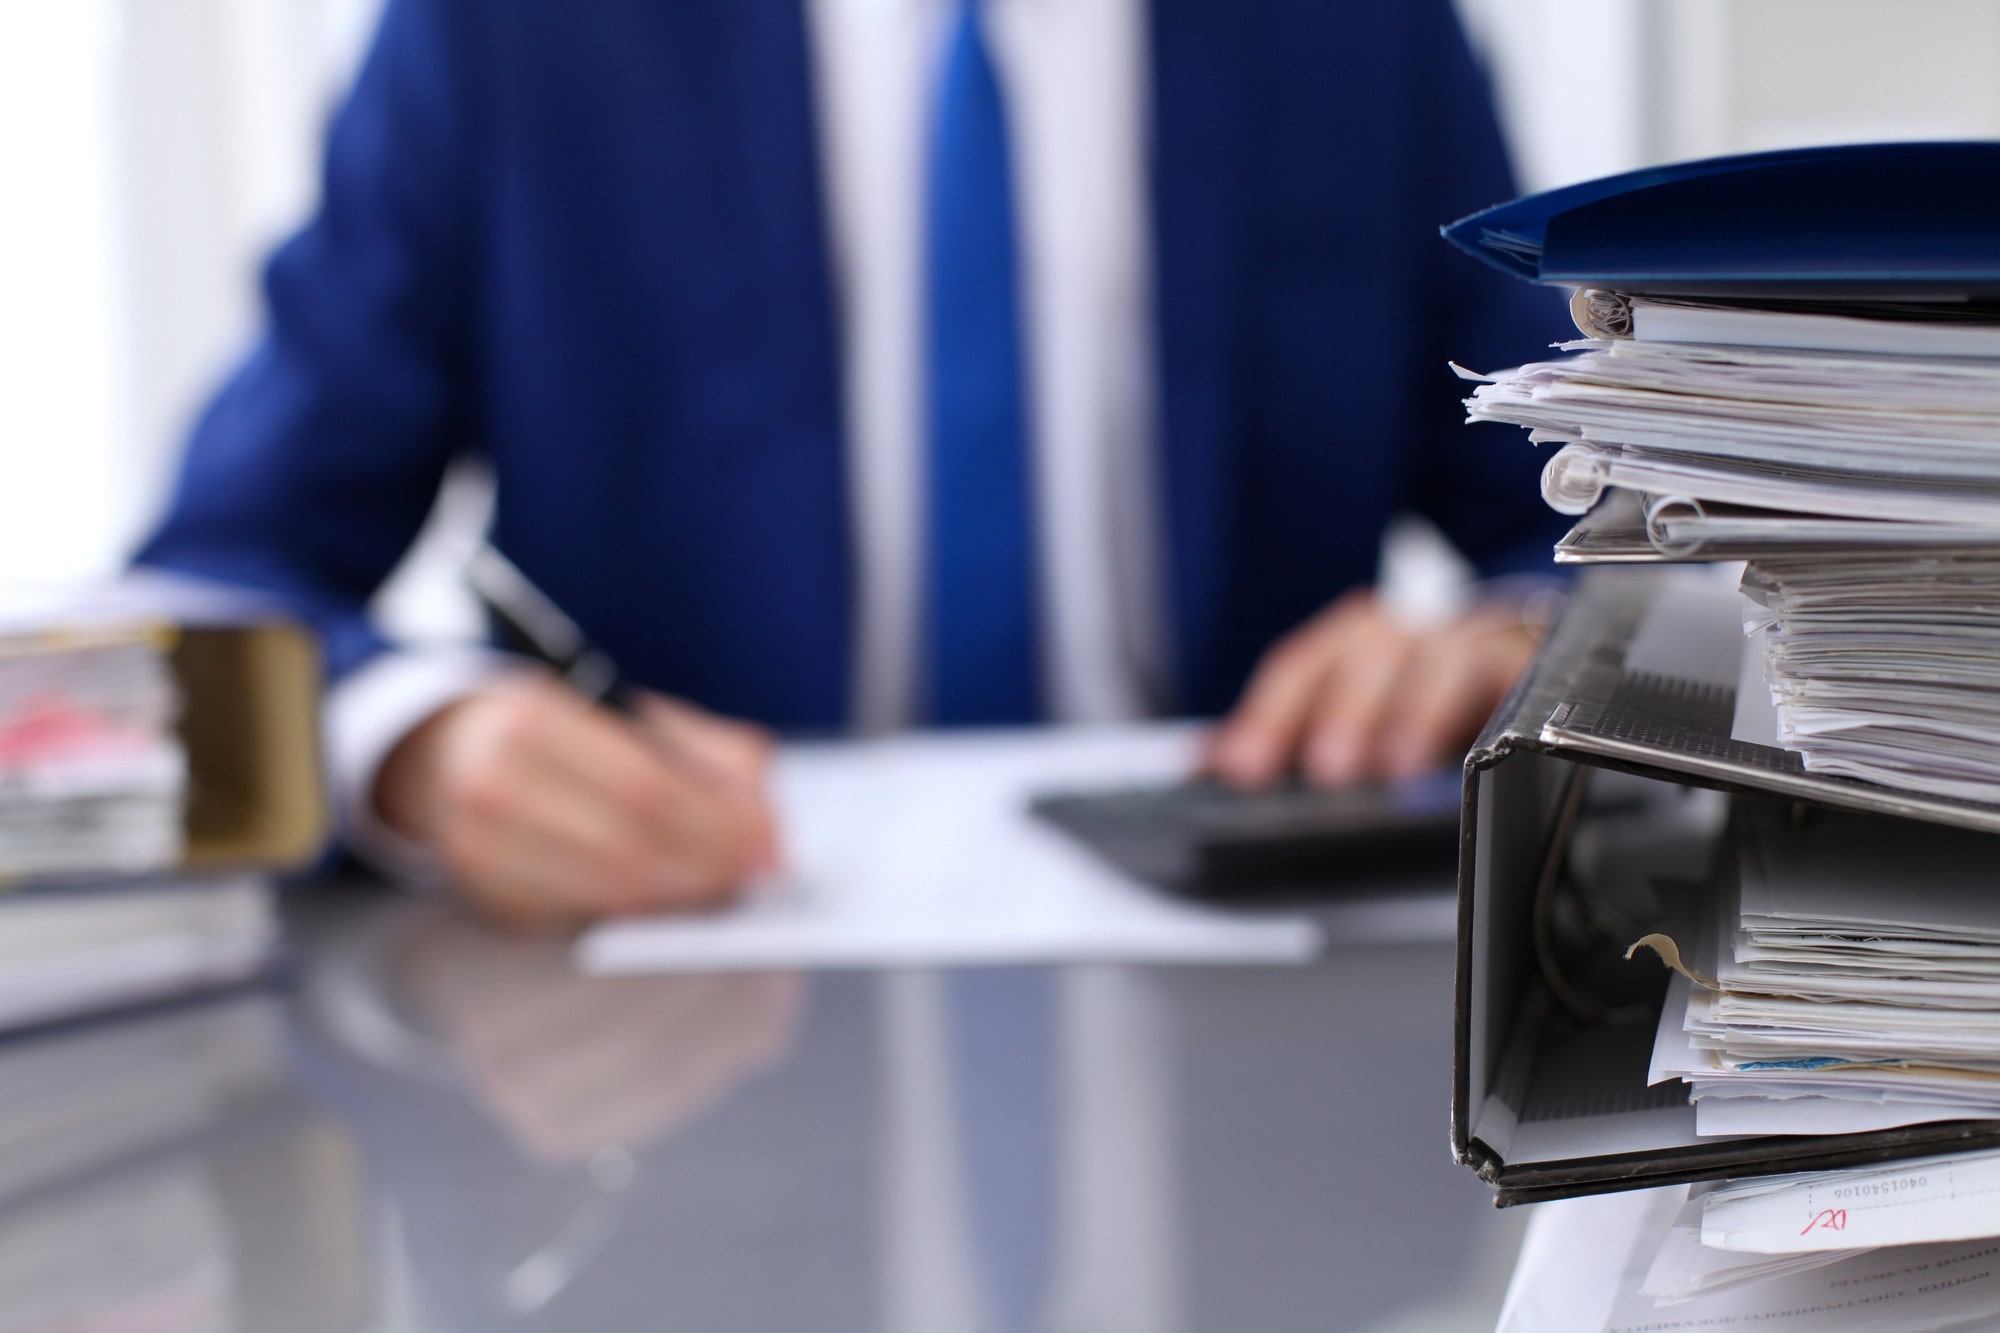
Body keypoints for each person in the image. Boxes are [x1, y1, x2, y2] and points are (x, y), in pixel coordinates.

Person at [136, 0, 1568, 928]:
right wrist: (419, 744)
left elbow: (1607, 518)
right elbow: (214, 578)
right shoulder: (504, 36)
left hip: (1275, 1013)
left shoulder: (1366, 35)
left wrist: (1510, 642)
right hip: (667, 1026)